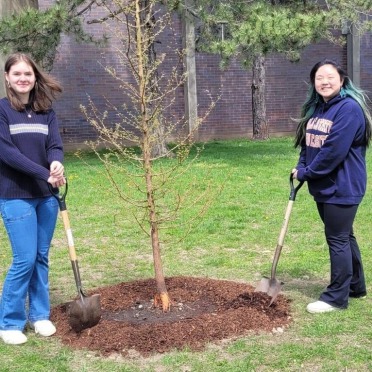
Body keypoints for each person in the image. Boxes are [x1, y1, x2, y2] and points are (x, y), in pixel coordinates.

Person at [292, 58, 371, 314]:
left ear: (342, 80)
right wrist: (300, 166)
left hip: (343, 185)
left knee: (336, 238)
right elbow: (308, 143)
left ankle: (336, 298)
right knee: (344, 236)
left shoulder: (348, 109)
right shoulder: (319, 108)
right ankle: (356, 286)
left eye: (330, 77)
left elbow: (333, 152)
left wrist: (307, 173)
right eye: (319, 78)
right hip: (325, 186)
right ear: (313, 83)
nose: (324, 82)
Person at [0, 53, 66, 344]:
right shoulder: (2, 111)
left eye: (28, 74)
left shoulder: (46, 112)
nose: (23, 79)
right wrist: (44, 173)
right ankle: (10, 322)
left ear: (34, 77)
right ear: (7, 78)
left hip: (46, 196)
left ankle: (39, 315)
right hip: (16, 196)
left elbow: (54, 145)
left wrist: (55, 163)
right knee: (24, 259)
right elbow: (7, 154)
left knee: (40, 257)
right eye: (17, 74)